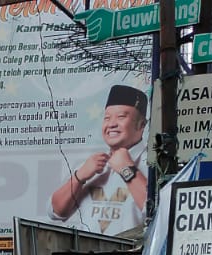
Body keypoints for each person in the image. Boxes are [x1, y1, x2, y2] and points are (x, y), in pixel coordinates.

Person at [49, 83, 150, 234]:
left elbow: (160, 212)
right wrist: (79, 176)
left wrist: (127, 169)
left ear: (141, 125)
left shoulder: (152, 162)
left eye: (121, 117)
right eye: (107, 118)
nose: (112, 124)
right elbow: (56, 211)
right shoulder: (94, 165)